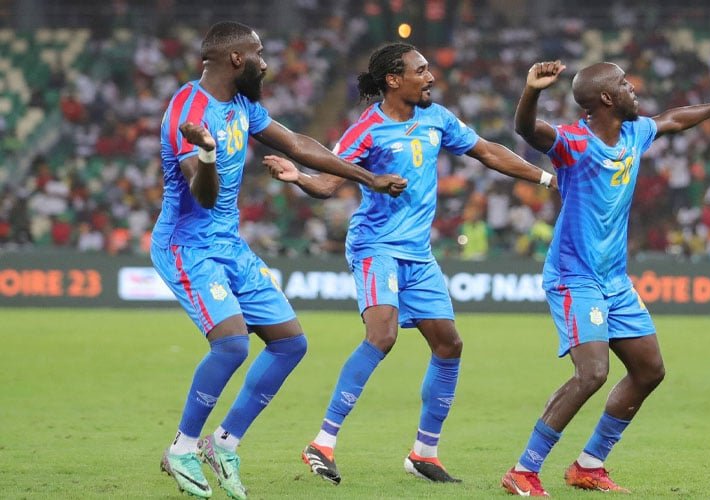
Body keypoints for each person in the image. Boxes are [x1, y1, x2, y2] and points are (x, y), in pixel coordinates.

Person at [263, 42, 557, 485]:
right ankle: (322, 442)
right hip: (374, 246)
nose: (431, 76)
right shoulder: (366, 130)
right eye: (421, 70)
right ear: (394, 80)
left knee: (449, 345)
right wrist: (299, 176)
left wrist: (547, 176)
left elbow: (486, 150)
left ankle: (425, 452)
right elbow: (327, 182)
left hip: (418, 253)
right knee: (382, 335)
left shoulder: (436, 118)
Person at [152, 21, 406, 500]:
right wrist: (205, 153)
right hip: (187, 246)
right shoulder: (188, 110)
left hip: (229, 245)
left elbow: (298, 145)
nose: (266, 63)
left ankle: (223, 443)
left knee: (290, 343)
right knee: (230, 345)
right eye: (260, 54)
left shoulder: (243, 106)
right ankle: (182, 447)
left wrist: (364, 178)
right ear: (235, 60)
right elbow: (202, 198)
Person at [500, 60, 710, 496]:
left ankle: (589, 465)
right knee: (592, 373)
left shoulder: (634, 133)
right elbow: (528, 130)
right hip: (574, 276)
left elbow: (673, 119)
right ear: (605, 97)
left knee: (649, 369)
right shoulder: (574, 144)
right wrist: (531, 90)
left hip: (614, 280)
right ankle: (524, 471)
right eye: (623, 83)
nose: (632, 87)